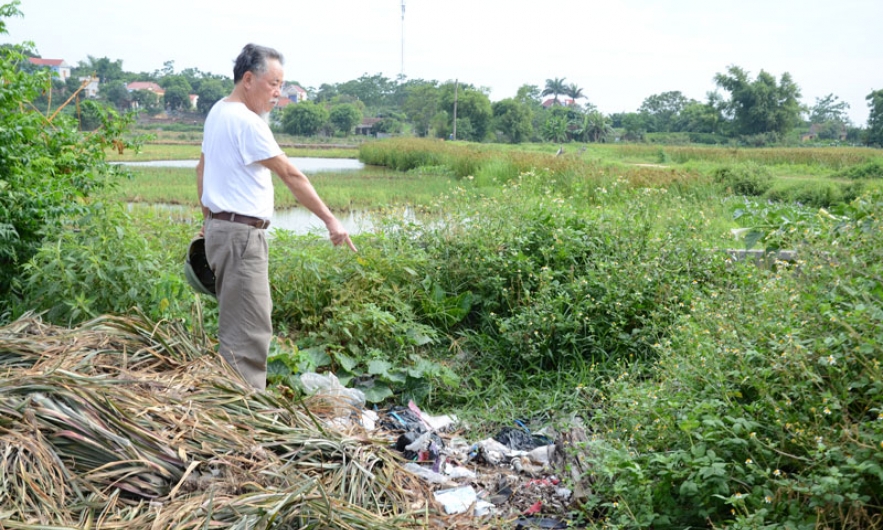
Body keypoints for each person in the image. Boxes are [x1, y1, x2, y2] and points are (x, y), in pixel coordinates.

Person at [196, 43, 357, 391]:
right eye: (274, 84)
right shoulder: (247, 122)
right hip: (241, 237)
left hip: (221, 230)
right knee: (250, 330)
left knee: (235, 322)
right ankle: (245, 416)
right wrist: (332, 221)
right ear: (249, 79)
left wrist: (207, 220)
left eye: (282, 85)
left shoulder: (217, 112)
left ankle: (228, 403)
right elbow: (291, 175)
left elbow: (203, 168)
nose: (278, 93)